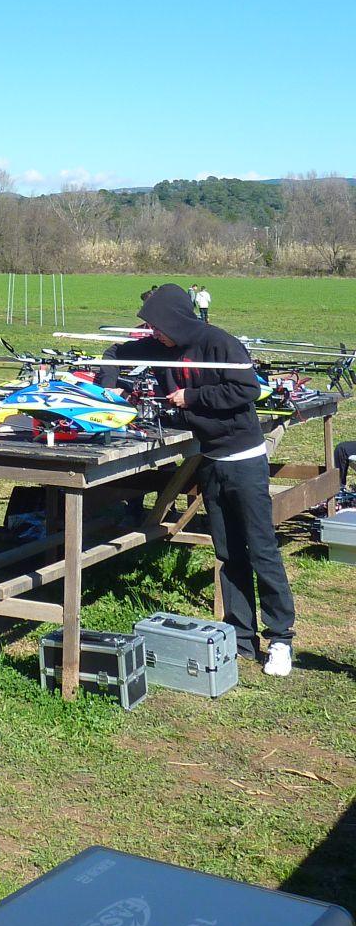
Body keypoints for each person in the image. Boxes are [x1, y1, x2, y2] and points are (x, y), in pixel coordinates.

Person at [131, 284, 295, 677]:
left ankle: (280, 639)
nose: (155, 334)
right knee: (228, 553)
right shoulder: (167, 350)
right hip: (210, 462)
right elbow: (122, 354)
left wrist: (192, 398)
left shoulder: (219, 342)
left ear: (174, 319)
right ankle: (241, 636)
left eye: (157, 326)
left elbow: (247, 389)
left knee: (261, 550)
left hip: (244, 459)